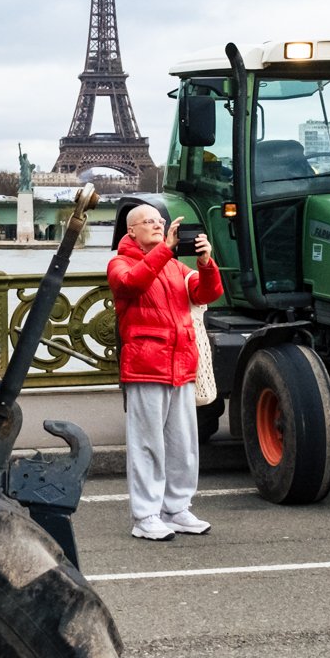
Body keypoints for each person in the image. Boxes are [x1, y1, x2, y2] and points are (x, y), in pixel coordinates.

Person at [108, 203, 223, 541]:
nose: (158, 226)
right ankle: (145, 516)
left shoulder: (174, 266)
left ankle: (177, 508)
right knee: (147, 444)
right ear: (131, 231)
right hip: (146, 365)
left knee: (182, 444)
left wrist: (205, 263)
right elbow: (132, 283)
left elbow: (208, 293)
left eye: (161, 221)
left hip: (180, 364)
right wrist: (165, 251)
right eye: (150, 222)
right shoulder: (120, 263)